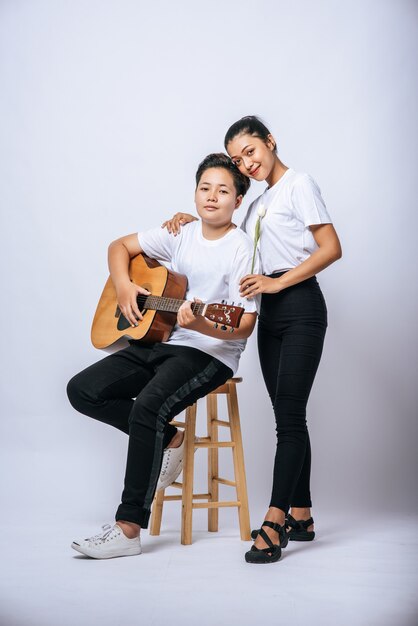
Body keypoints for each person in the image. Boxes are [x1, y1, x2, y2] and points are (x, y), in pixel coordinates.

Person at [162, 116, 342, 564]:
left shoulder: (299, 183)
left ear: (270, 142)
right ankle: (302, 513)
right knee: (286, 411)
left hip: (299, 305)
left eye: (251, 150)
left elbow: (331, 247)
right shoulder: (258, 201)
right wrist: (189, 219)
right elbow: (229, 237)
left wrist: (279, 284)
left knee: (290, 418)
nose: (247, 162)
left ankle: (275, 521)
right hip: (268, 311)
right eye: (239, 158)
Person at [67, 153, 258, 559]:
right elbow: (119, 246)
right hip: (160, 340)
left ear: (238, 201)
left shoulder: (242, 249)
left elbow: (242, 325)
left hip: (210, 352)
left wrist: (201, 322)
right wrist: (123, 285)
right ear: (194, 192)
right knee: (83, 390)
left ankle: (128, 528)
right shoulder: (181, 233)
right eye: (205, 188)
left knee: (147, 408)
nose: (212, 196)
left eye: (223, 190)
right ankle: (169, 438)